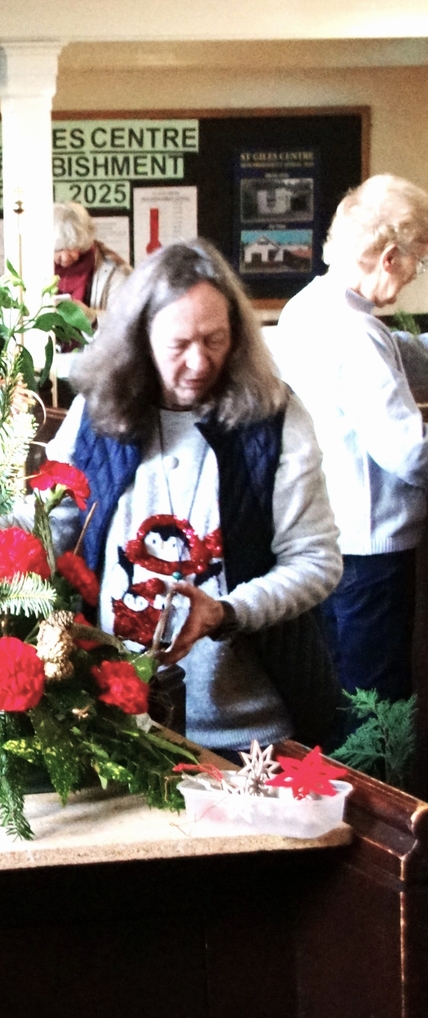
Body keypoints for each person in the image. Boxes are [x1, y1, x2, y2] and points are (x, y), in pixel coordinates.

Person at [47, 239, 341, 752]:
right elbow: (55, 525)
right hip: (116, 720)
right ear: (140, 340)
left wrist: (227, 611)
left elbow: (316, 562)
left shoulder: (275, 420)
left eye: (215, 339)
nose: (199, 361)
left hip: (251, 733)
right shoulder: (95, 413)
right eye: (178, 345)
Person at [273, 174, 428, 704]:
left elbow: (402, 352)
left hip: (326, 539)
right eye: (417, 261)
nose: (414, 274)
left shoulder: (307, 307)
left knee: (340, 698)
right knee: (377, 707)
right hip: (371, 552)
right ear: (390, 257)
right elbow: (408, 453)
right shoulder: (359, 334)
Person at [53, 202, 130, 323]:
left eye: (74, 247)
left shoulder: (114, 271)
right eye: (58, 249)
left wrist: (91, 317)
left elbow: (126, 321)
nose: (66, 257)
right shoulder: (30, 267)